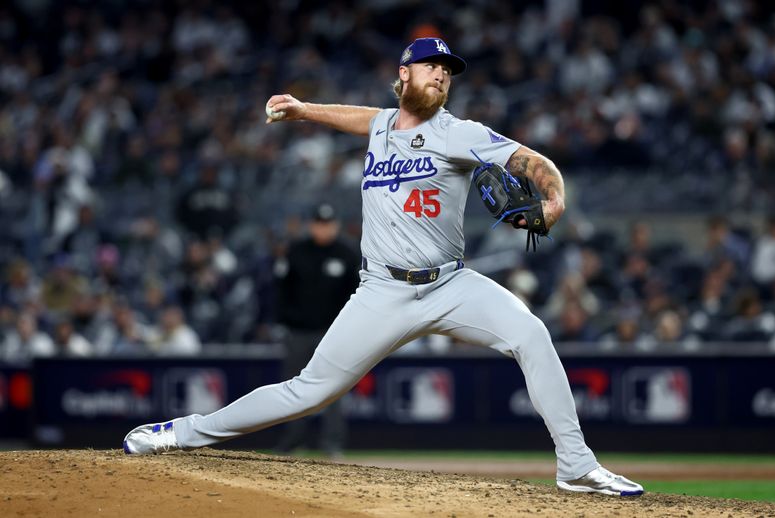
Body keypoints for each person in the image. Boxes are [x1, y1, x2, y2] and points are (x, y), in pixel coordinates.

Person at [123, 37, 644, 497]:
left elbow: (531, 161)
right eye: (431, 66)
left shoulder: (460, 133)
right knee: (309, 393)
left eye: (448, 70)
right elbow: (362, 117)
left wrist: (553, 199)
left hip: (451, 283)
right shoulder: (381, 126)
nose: (441, 74)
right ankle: (181, 433)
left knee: (531, 333)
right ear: (404, 74)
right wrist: (305, 111)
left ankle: (577, 466)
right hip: (381, 291)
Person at [273, 203, 360, 457]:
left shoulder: (347, 253)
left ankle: (332, 443)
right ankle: (292, 440)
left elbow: (357, 294)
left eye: (328, 224)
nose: (323, 229)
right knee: (292, 388)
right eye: (319, 224)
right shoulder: (296, 251)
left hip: (332, 333)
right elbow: (281, 291)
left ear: (336, 225)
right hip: (298, 332)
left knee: (333, 389)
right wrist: (284, 322)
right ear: (311, 225)